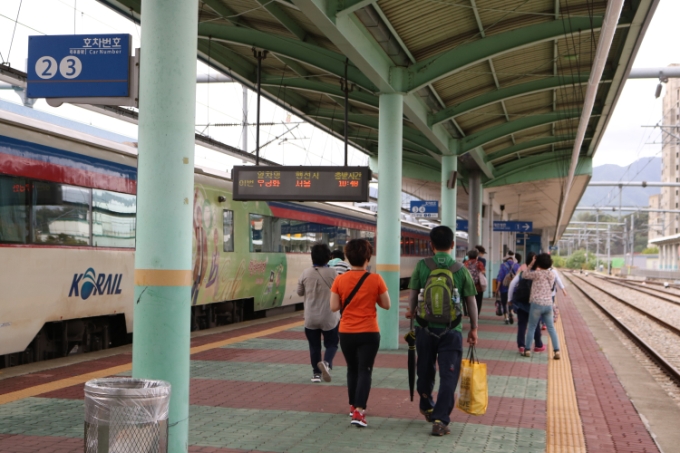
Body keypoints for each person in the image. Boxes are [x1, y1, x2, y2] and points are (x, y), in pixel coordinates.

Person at [406, 226, 478, 436]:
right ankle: (440, 420)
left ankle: (426, 404)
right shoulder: (460, 269)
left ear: (431, 244)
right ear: (453, 245)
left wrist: (411, 311)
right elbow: (471, 301)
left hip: (424, 328)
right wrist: (474, 328)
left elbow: (413, 294)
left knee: (425, 369)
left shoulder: (422, 266)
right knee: (449, 375)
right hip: (451, 330)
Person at [330, 239, 390, 428]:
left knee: (352, 369)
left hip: (346, 332)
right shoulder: (376, 279)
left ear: (347, 257)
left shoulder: (340, 280)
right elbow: (386, 304)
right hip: (369, 332)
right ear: (368, 257)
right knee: (365, 370)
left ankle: (352, 406)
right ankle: (359, 410)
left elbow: (334, 306)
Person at [297, 243, 340, 383]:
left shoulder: (305, 273)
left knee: (314, 346)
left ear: (312, 257)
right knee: (332, 344)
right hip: (329, 316)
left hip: (311, 317)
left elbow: (299, 292)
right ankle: (326, 363)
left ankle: (316, 374)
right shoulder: (334, 273)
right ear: (329, 257)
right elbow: (340, 292)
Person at [521, 253, 560, 360]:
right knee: (551, 328)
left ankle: (527, 350)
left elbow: (524, 275)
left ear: (538, 263)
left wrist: (532, 263)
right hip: (548, 304)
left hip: (536, 304)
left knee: (532, 327)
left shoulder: (536, 274)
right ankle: (557, 351)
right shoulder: (552, 274)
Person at [508, 253, 544, 354]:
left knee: (522, 325)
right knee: (535, 325)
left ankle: (521, 346)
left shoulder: (522, 273)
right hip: (535, 304)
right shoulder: (539, 274)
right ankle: (538, 345)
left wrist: (509, 300)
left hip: (522, 304)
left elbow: (512, 285)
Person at [496, 251, 519, 325]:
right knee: (511, 301)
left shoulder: (503, 265)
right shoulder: (517, 265)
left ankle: (506, 317)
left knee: (504, 302)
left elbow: (500, 277)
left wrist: (497, 288)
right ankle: (511, 311)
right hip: (514, 287)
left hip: (504, 287)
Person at [464, 249, 486, 315]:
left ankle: (470, 313)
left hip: (468, 286)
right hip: (478, 286)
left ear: (469, 256)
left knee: (469, 301)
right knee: (478, 301)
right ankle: (477, 314)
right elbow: (483, 272)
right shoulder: (479, 263)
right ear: (476, 256)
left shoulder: (465, 263)